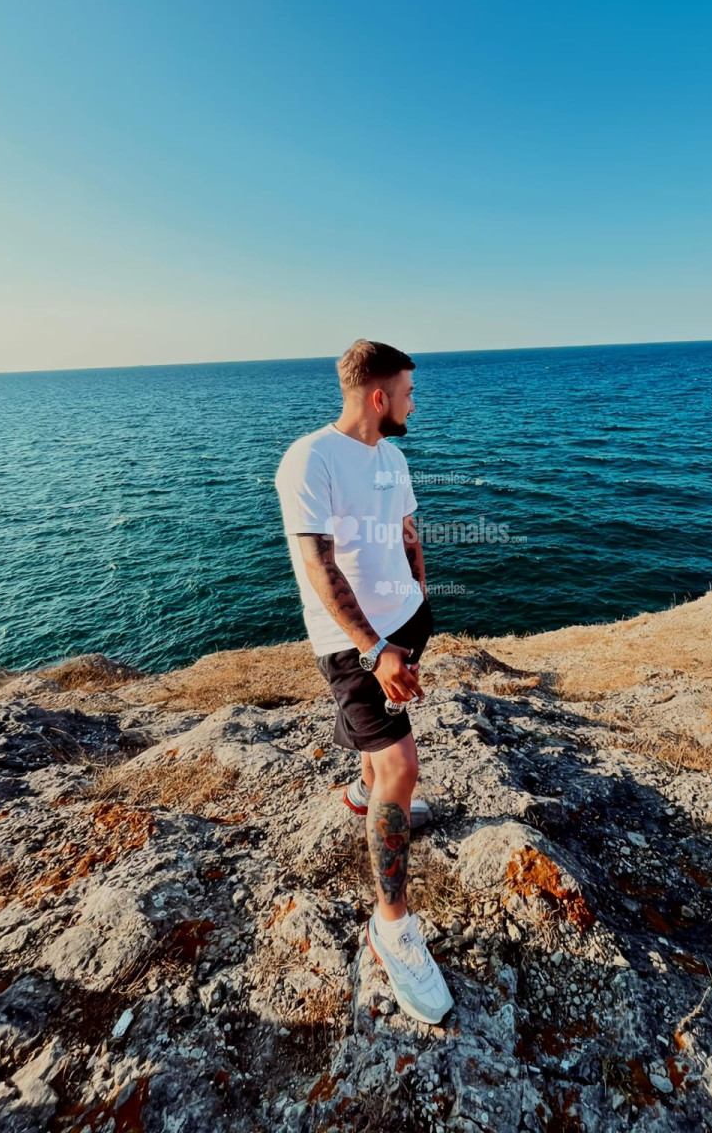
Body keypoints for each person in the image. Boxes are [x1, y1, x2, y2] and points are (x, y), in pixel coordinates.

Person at [274, 339, 453, 1025]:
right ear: (379, 396)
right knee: (401, 767)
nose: (414, 404)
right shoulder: (311, 459)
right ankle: (392, 926)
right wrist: (375, 651)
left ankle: (362, 790)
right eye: (407, 392)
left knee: (382, 754)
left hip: (405, 624)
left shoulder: (392, 458)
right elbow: (318, 566)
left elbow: (406, 532)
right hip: (357, 646)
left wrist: (420, 600)